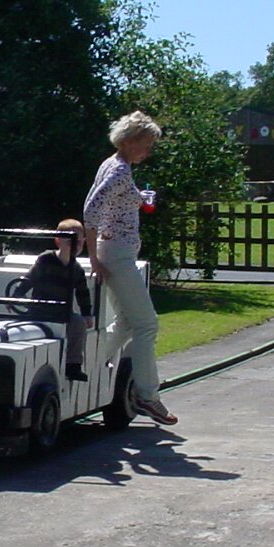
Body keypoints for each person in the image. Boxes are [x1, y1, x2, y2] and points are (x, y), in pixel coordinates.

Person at [82, 110, 177, 426]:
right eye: (146, 144)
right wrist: (94, 259)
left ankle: (87, 365)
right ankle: (147, 395)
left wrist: (139, 199)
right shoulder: (120, 171)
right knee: (147, 324)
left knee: (124, 322)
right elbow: (91, 210)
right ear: (130, 141)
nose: (148, 151)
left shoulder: (112, 164)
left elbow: (109, 204)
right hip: (117, 255)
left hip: (114, 251)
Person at [13, 219, 95, 381]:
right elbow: (30, 278)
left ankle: (73, 365)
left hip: (62, 313)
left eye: (79, 242)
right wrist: (16, 296)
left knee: (78, 323)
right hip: (39, 309)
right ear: (58, 241)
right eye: (70, 241)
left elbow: (82, 293)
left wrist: (87, 314)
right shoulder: (46, 259)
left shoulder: (76, 269)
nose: (75, 246)